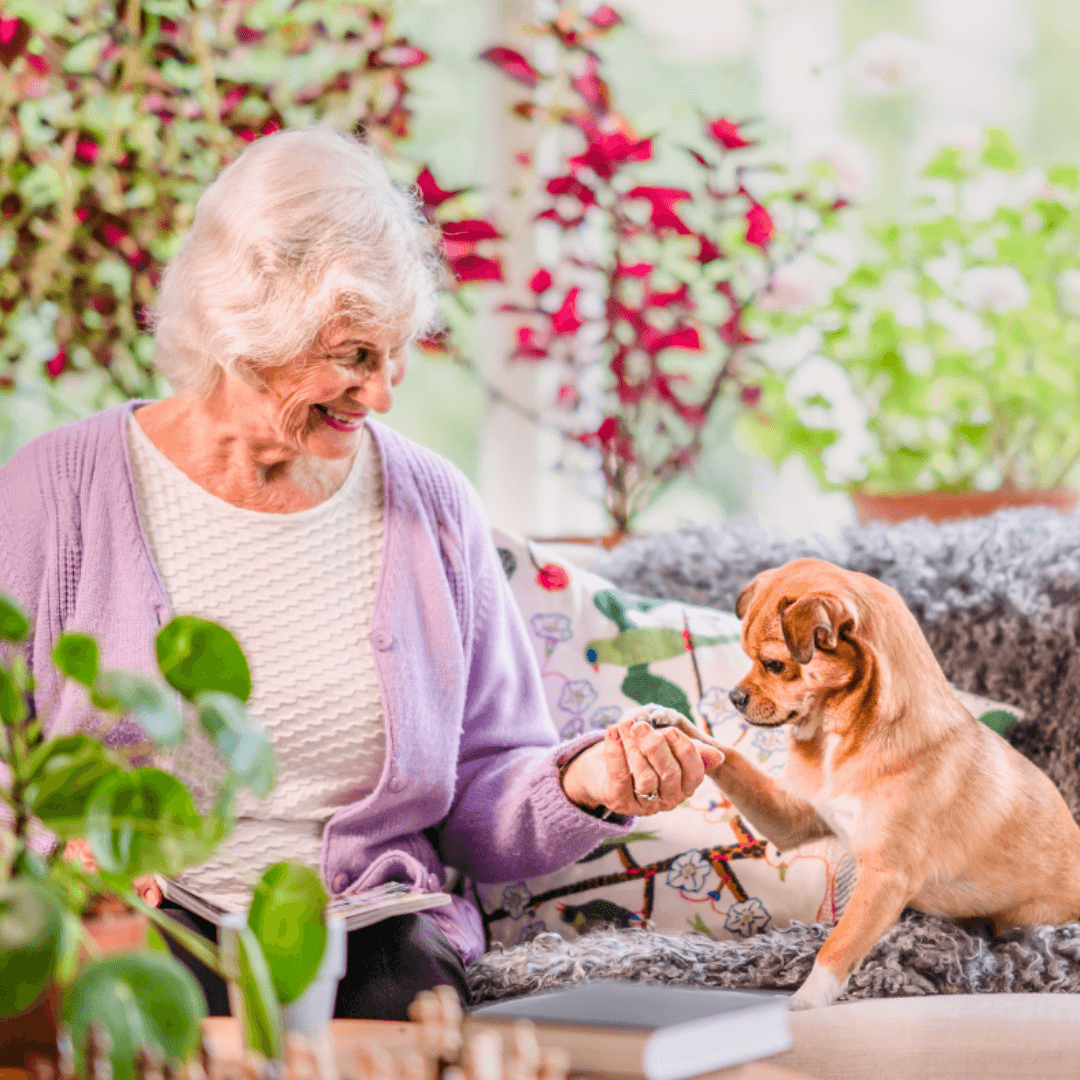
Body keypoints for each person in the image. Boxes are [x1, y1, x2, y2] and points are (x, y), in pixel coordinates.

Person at [0, 128, 722, 1019]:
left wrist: (586, 784)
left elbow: (485, 791)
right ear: (243, 334)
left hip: (369, 925)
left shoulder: (433, 506)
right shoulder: (56, 492)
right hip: (130, 919)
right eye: (352, 357)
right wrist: (38, 856)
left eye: (396, 351)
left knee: (404, 1024)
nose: (383, 395)